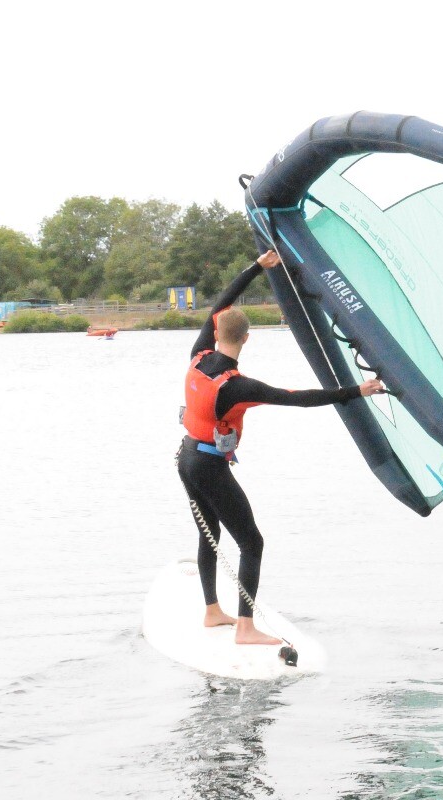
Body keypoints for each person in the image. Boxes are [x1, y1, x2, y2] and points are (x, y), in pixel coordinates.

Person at [177, 250, 383, 645]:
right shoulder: (239, 387)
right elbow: (299, 397)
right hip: (209, 467)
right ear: (247, 338)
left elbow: (222, 302)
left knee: (209, 533)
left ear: (216, 333)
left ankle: (211, 611)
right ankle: (246, 628)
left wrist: (256, 265)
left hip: (186, 458)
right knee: (251, 542)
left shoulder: (198, 356)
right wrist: (357, 390)